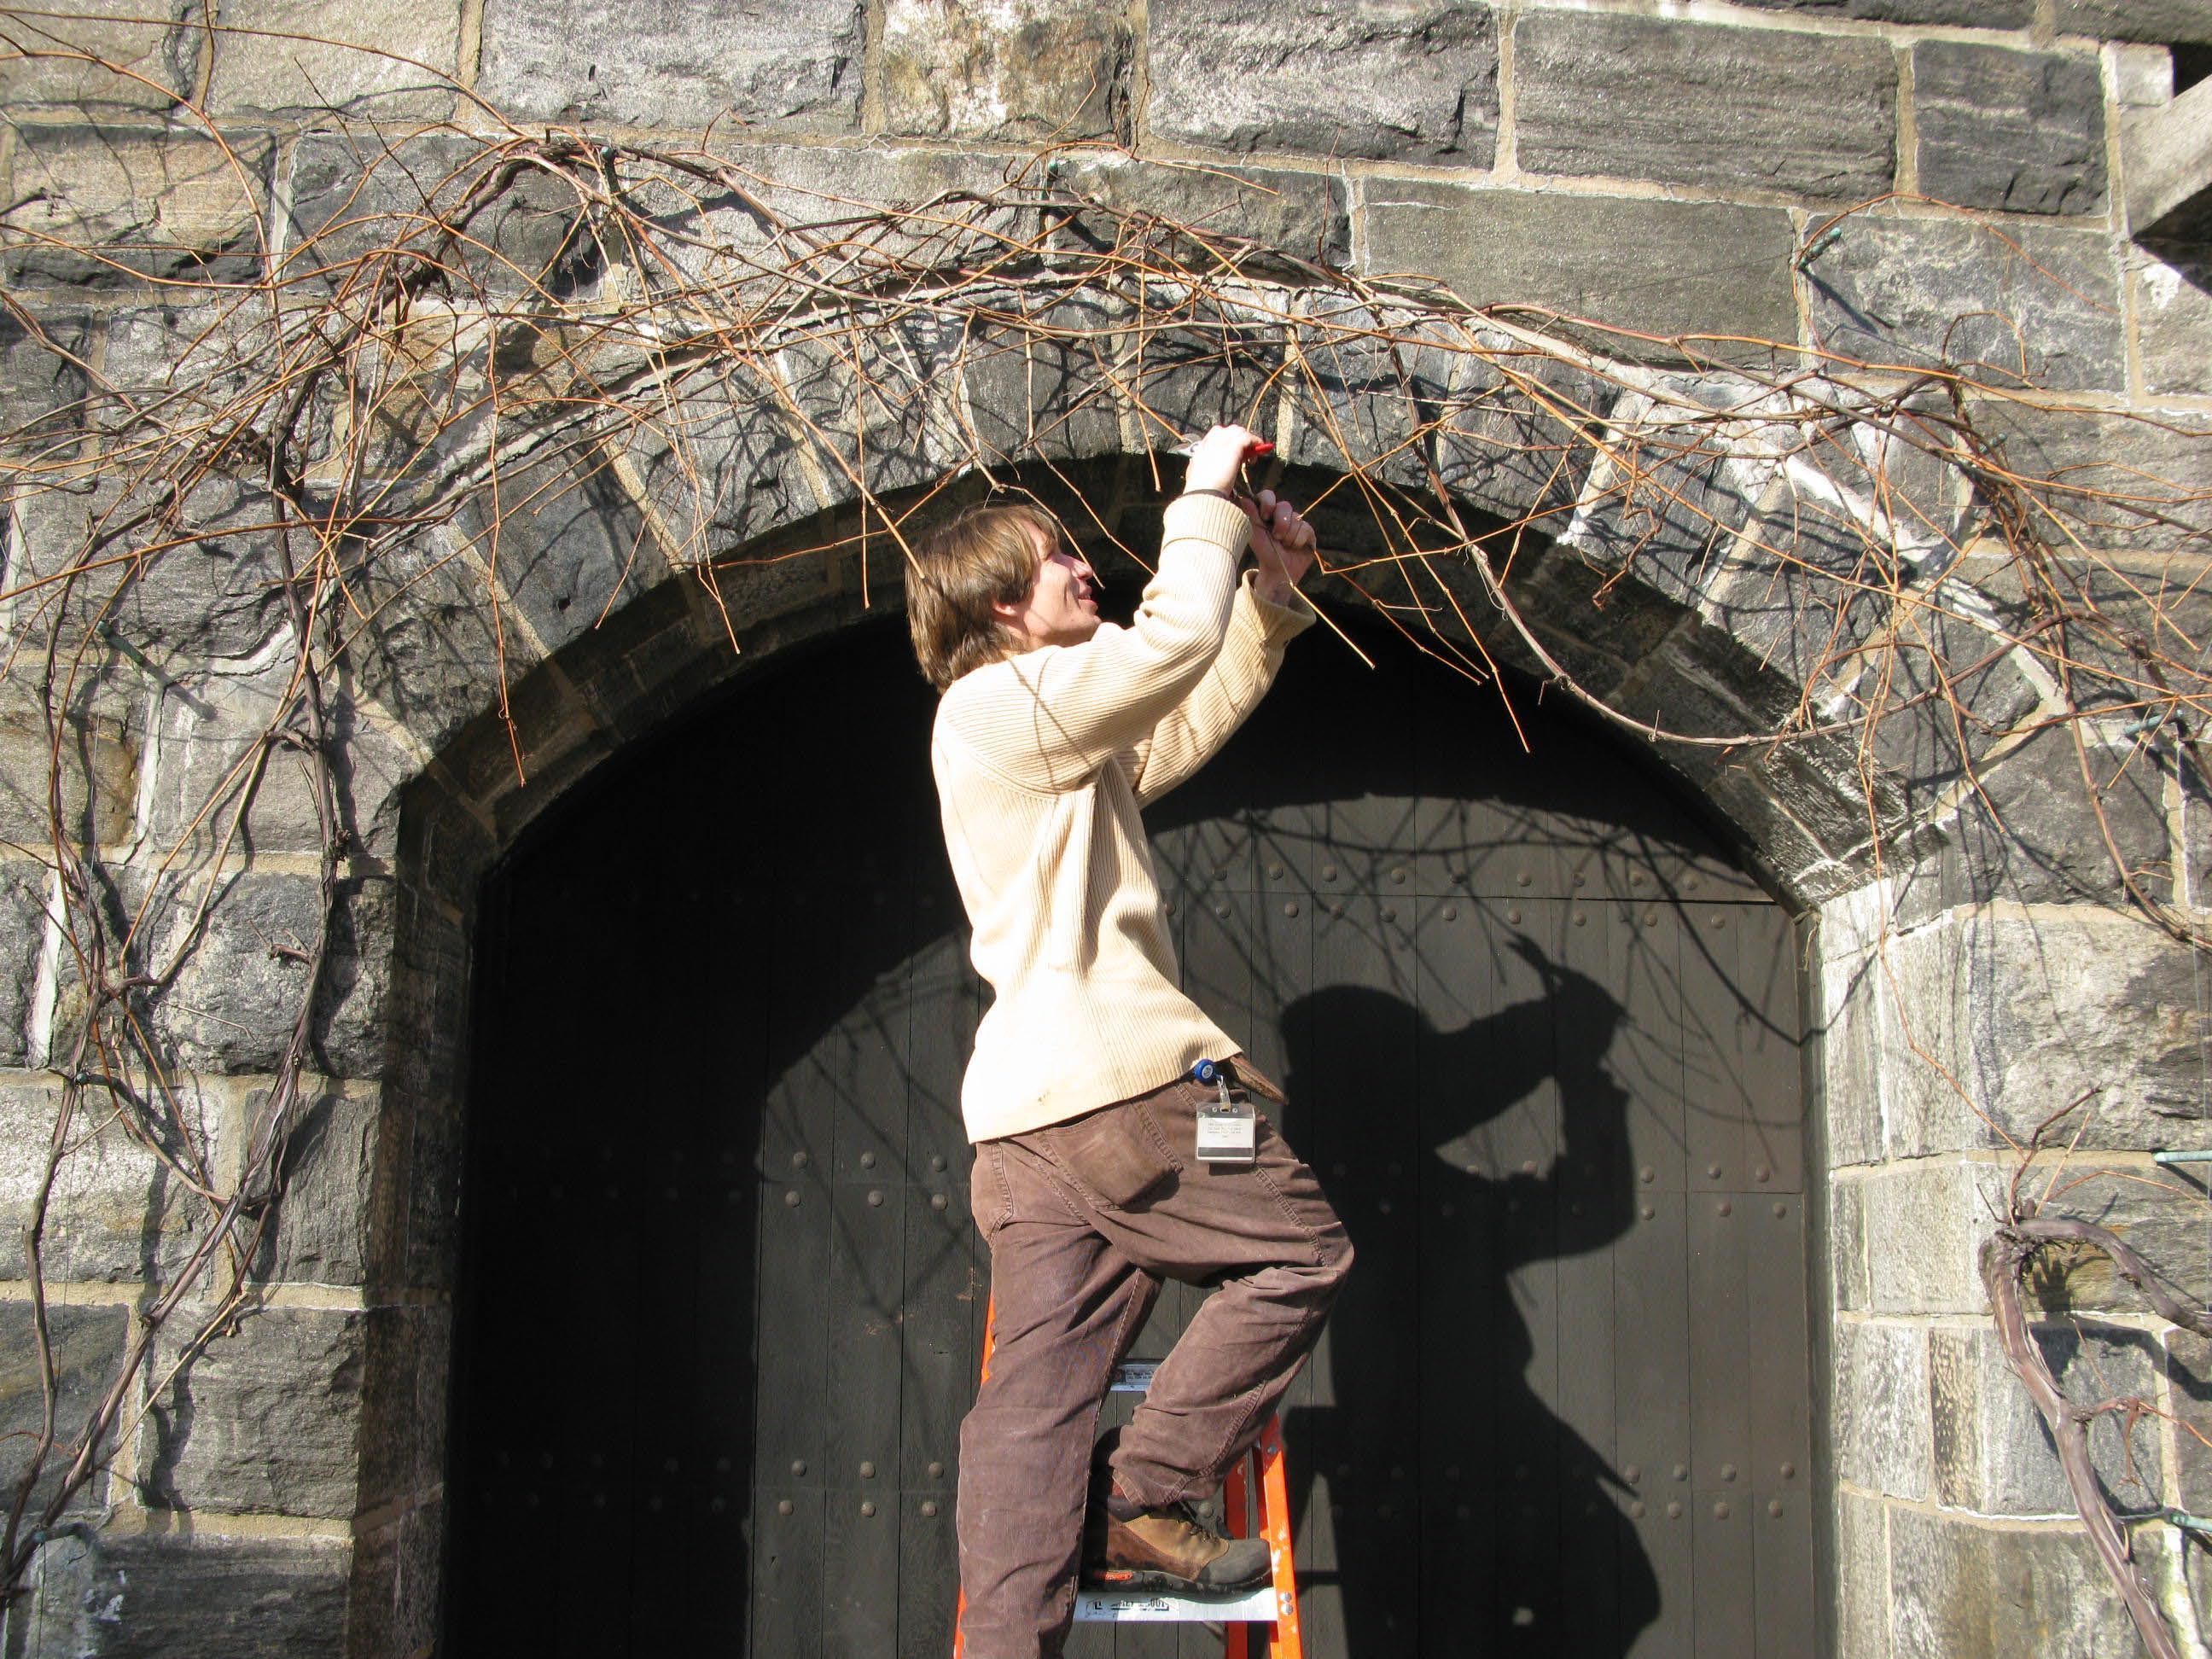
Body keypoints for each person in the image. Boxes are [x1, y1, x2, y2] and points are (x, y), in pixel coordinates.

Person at [905, 425, 1354, 1659]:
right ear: (1000, 604)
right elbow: (1167, 650)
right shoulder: (999, 702)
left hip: (1033, 1128)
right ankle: (1144, 1494)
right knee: (1303, 1252)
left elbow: (1171, 721)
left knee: (1035, 1408)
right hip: (1127, 1099)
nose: (1078, 570)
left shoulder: (1036, 731)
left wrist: (1267, 596)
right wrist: (1206, 496)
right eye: (1054, 562)